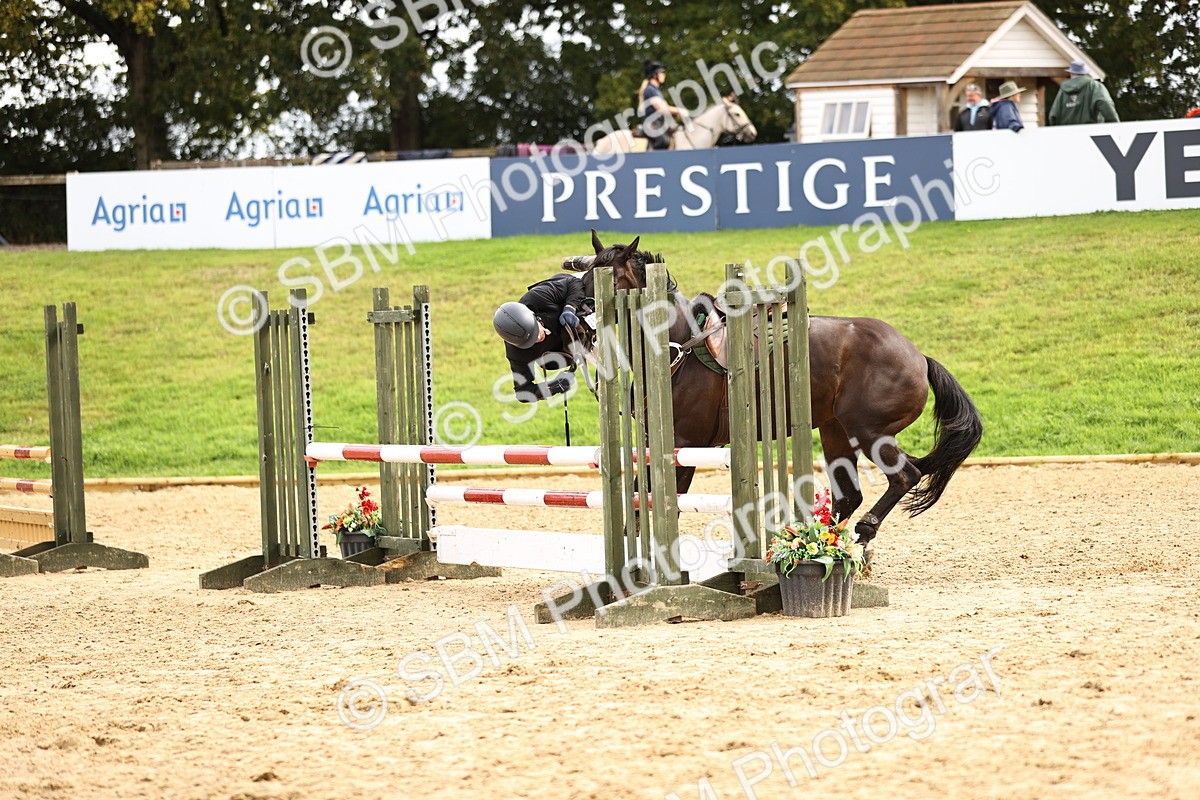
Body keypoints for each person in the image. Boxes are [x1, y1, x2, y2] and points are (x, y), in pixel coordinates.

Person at [493, 273, 585, 403]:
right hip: (560, 353)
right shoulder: (516, 353)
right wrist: (552, 387)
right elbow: (522, 392)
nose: (538, 338)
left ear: (533, 316)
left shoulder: (538, 297)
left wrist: (570, 308)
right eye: (531, 341)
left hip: (572, 309)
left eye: (536, 331)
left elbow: (573, 283)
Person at [638, 60, 689, 150]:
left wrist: (676, 114)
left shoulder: (657, 91)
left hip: (660, 122)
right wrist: (679, 110)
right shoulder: (650, 90)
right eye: (661, 73)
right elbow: (661, 108)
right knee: (663, 141)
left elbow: (666, 108)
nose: (664, 75)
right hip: (652, 124)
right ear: (655, 75)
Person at [1048, 60, 1119, 125]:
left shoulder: (1063, 90)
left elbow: (1053, 116)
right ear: (1085, 73)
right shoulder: (1095, 86)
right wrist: (1115, 125)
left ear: (1071, 73)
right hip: (1091, 132)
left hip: (1068, 134)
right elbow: (1106, 104)